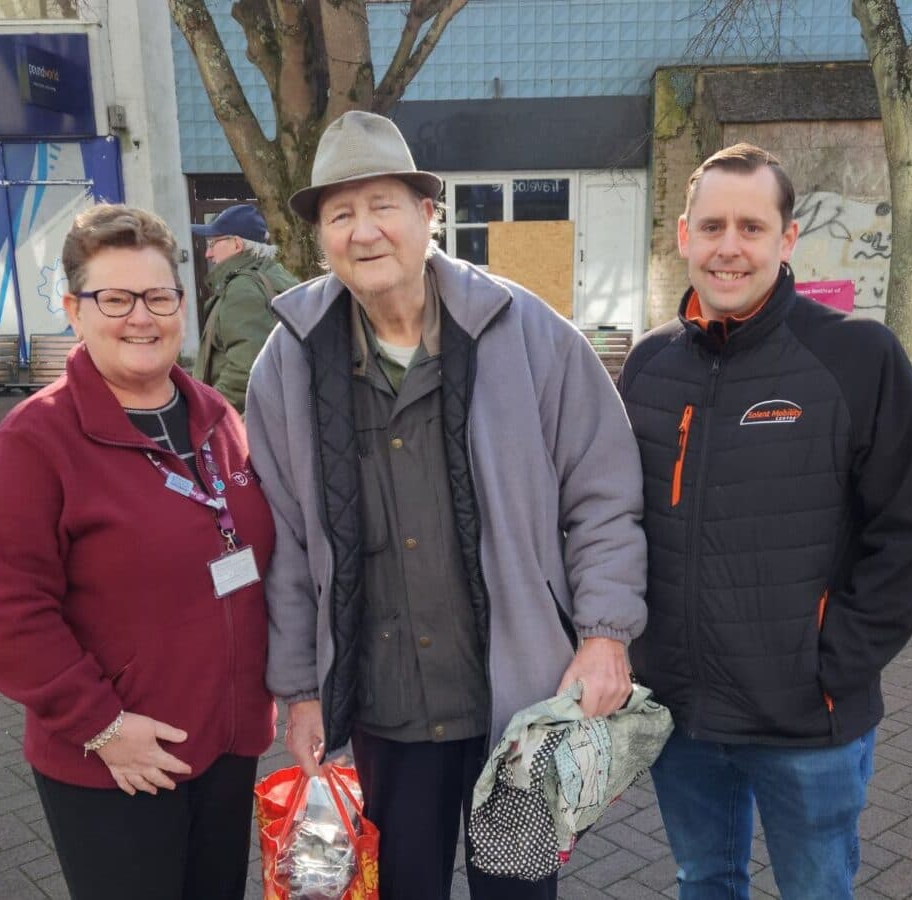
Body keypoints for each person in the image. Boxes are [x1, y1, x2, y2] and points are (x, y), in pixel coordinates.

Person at [246, 110, 648, 900]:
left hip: (522, 708)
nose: (364, 231)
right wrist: (300, 692)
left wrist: (605, 633)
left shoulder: (527, 332)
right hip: (385, 712)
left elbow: (603, 493)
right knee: (403, 890)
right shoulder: (288, 361)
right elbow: (286, 543)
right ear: (321, 236)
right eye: (340, 214)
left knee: (518, 891)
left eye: (383, 205)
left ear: (428, 213)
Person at [617, 143, 912, 899]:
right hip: (682, 714)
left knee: (815, 890)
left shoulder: (858, 356)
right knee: (704, 880)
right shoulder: (648, 365)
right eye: (712, 227)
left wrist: (834, 666)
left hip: (806, 719)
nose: (728, 247)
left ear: (787, 238)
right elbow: (620, 516)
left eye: (751, 227)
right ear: (684, 236)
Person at [0, 204, 277, 900]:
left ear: (182, 305)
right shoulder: (34, 442)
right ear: (75, 310)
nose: (141, 317)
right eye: (115, 298)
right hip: (117, 758)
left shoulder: (216, 417)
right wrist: (101, 727)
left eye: (158, 296)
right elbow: (10, 610)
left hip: (227, 742)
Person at [191, 203, 297, 413]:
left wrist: (207, 411)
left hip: (246, 419)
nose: (208, 254)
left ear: (237, 245)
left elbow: (245, 370)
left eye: (213, 244)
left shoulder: (242, 288)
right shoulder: (276, 275)